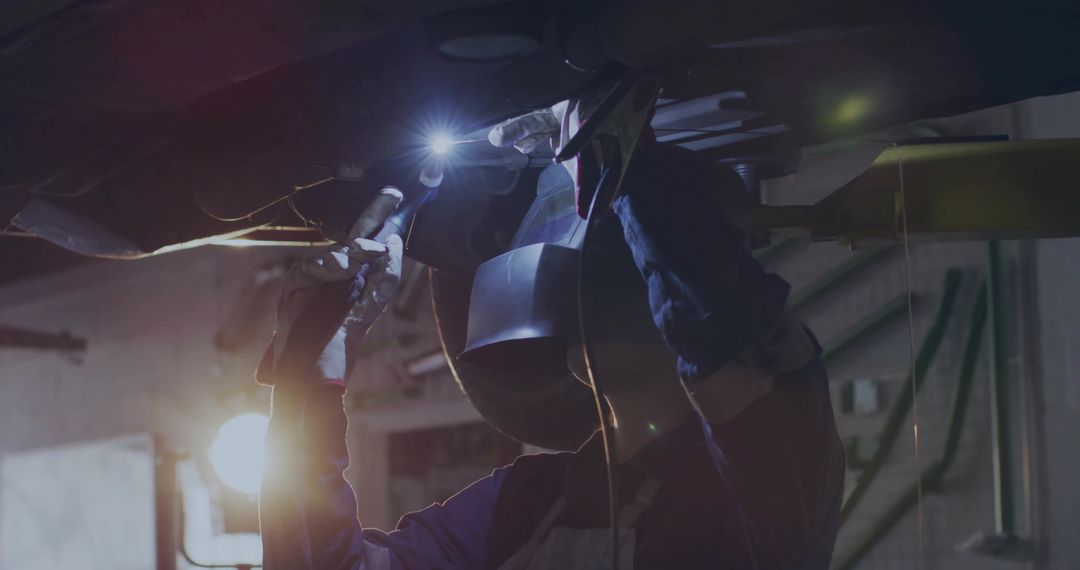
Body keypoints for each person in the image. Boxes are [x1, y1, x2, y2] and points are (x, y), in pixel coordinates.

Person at [256, 102, 845, 569]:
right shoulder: (526, 505)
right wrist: (312, 373)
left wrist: (612, 136)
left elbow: (724, 326)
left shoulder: (768, 505)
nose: (577, 291)